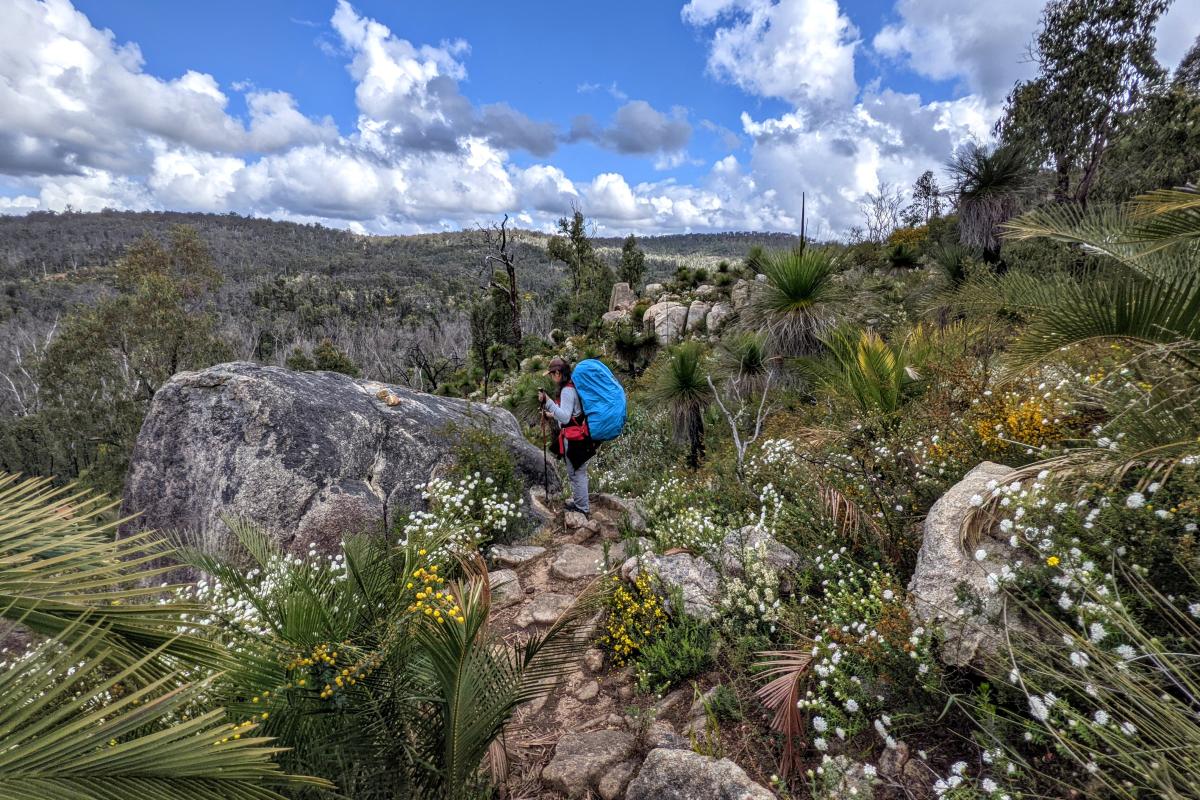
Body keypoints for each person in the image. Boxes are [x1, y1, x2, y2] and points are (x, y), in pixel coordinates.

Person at [538, 356, 594, 516]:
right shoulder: (570, 387)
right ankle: (579, 502)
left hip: (574, 438)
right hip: (575, 435)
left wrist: (548, 401)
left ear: (558, 373)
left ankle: (582, 508)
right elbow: (568, 415)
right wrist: (550, 414)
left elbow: (565, 417)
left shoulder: (567, 391)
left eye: (551, 374)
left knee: (577, 472)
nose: (551, 376)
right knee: (576, 472)